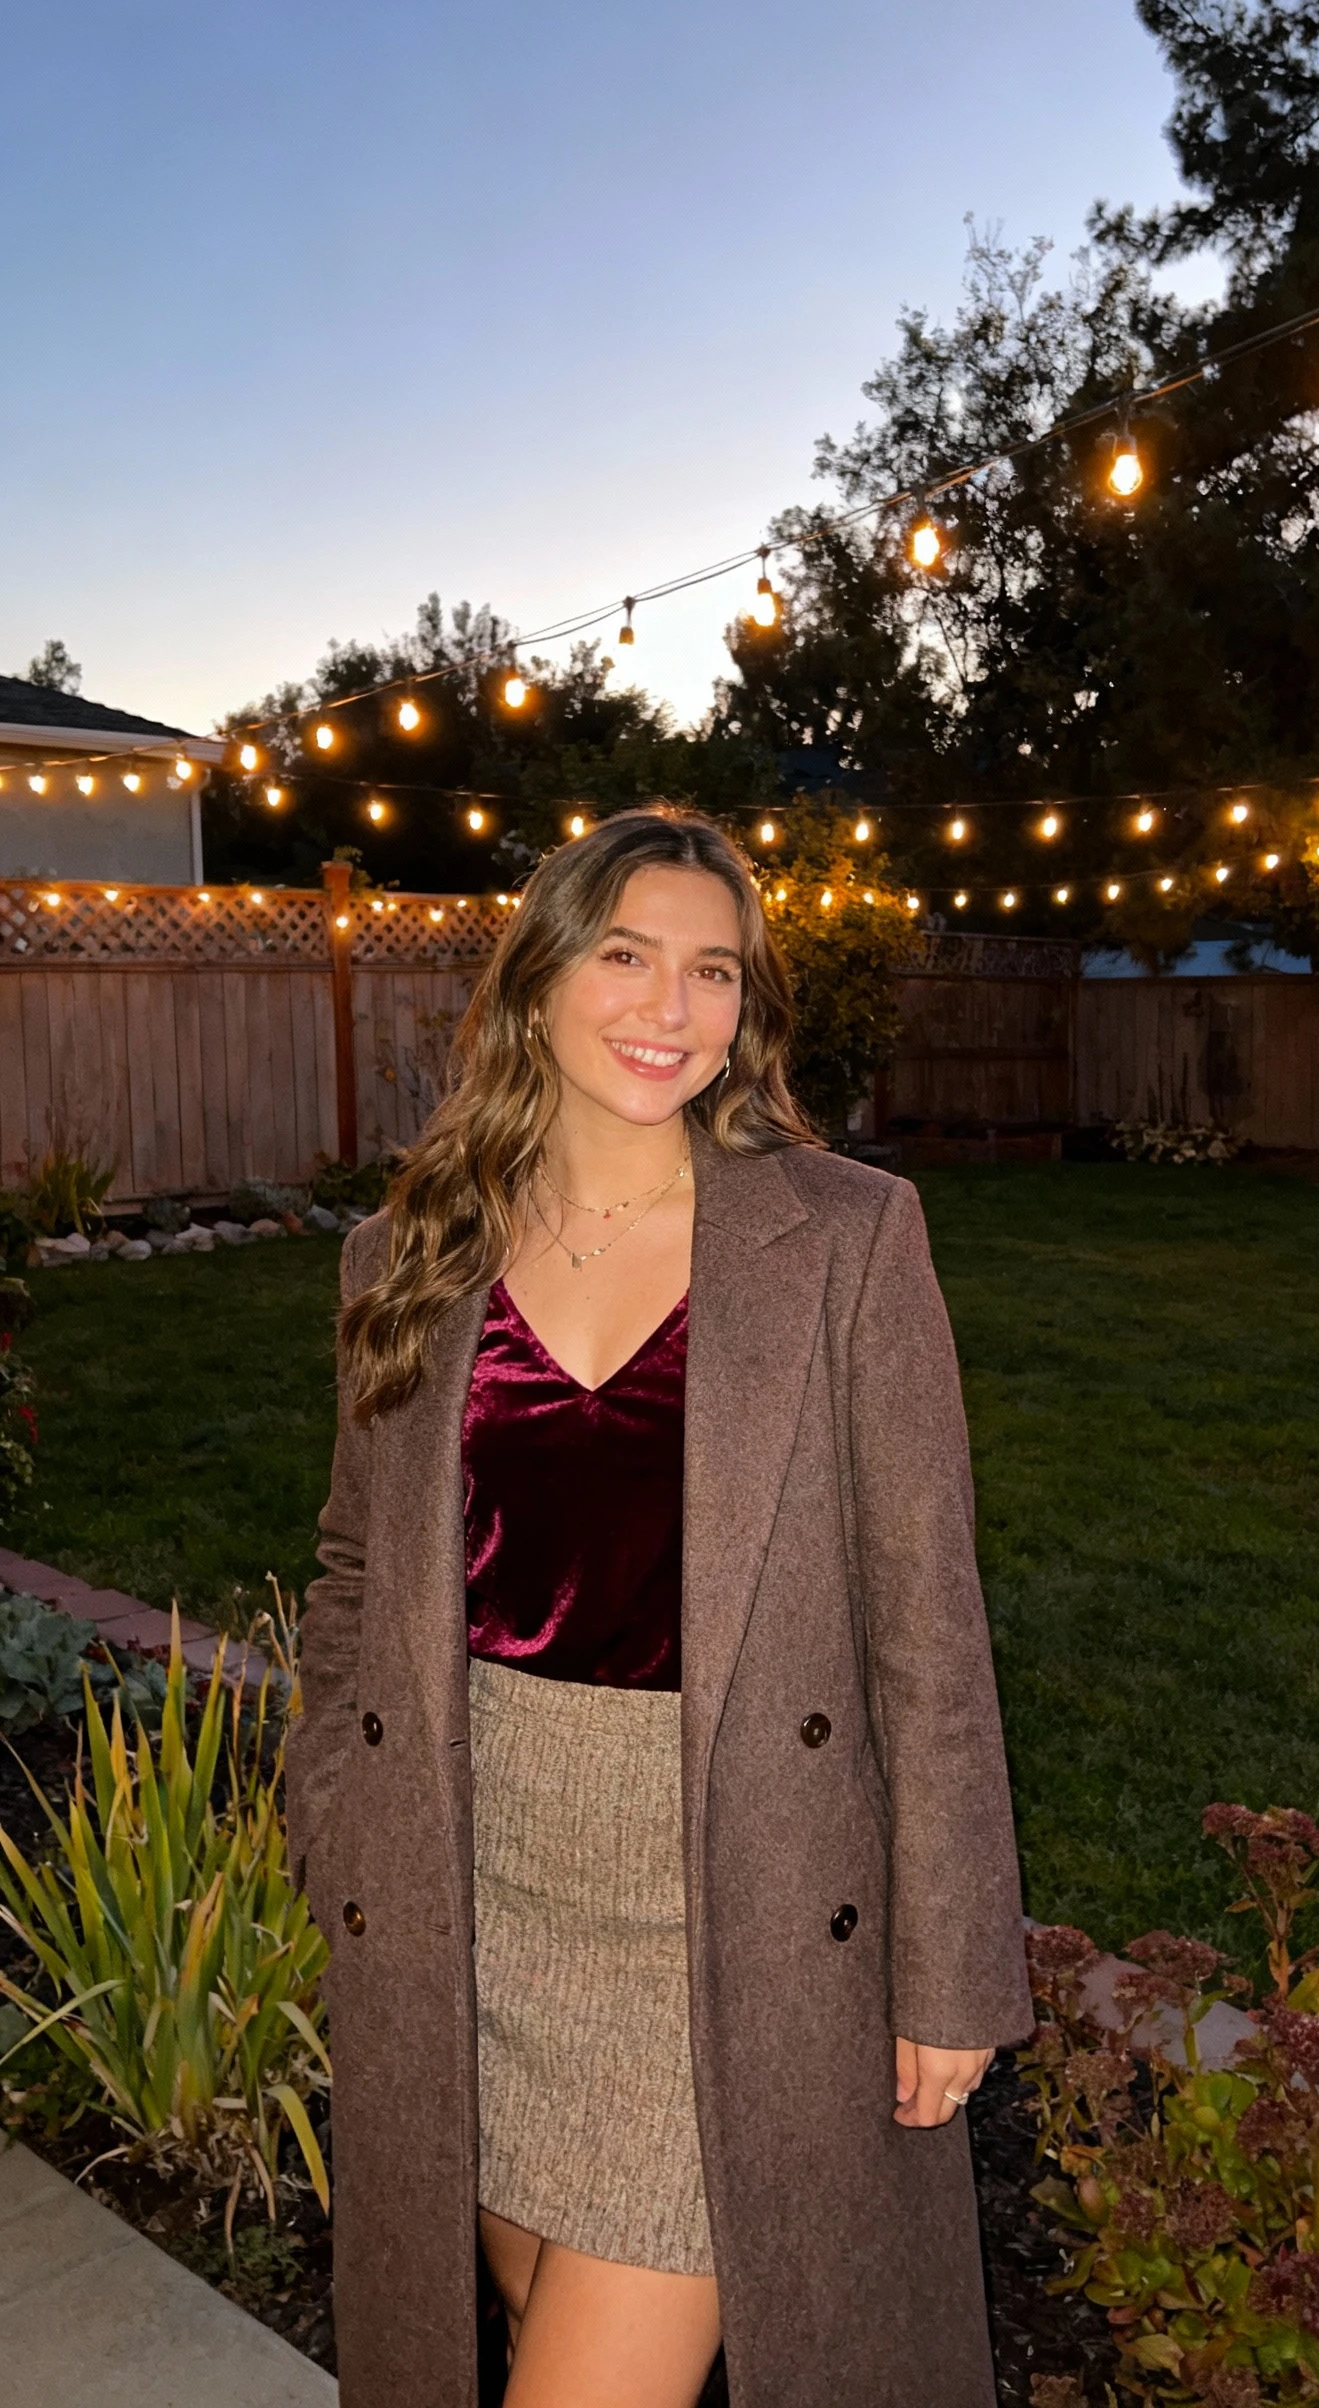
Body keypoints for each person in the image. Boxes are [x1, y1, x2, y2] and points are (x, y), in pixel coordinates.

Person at [286, 806, 1031, 2408]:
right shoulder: (409, 1253)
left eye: (711, 970)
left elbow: (929, 1629)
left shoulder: (845, 1240)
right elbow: (356, 1572)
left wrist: (953, 1959)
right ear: (543, 979)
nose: (666, 1008)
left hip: (738, 1902)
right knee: (532, 2302)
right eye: (625, 955)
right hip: (472, 1890)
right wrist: (334, 1814)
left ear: (746, 1008)